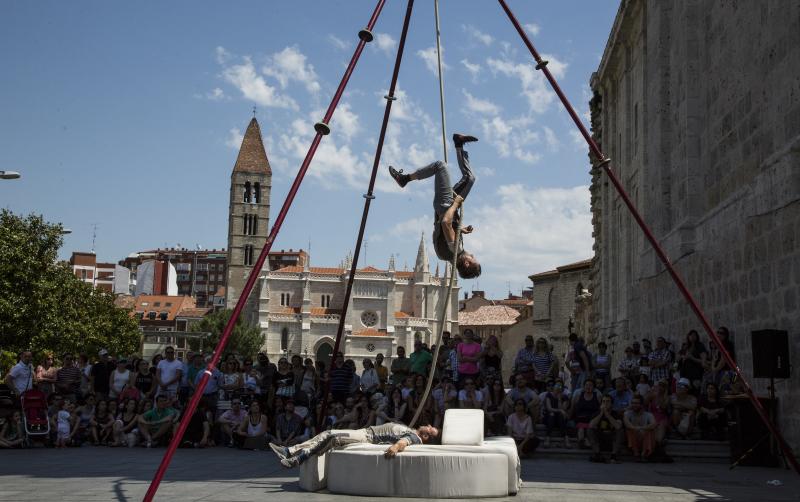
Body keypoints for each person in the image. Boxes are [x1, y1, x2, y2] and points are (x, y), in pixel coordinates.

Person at [388, 133, 482, 279]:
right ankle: (459, 144)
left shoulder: (457, 250)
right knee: (469, 179)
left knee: (440, 166)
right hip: (445, 207)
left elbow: (445, 222)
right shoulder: (446, 256)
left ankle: (404, 179)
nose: (473, 255)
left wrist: (455, 204)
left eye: (473, 258)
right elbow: (442, 233)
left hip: (446, 204)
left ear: (467, 264)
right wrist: (461, 230)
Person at [271, 422, 440, 468]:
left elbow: (404, 442)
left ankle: (297, 459)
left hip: (367, 436)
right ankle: (289, 451)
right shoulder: (412, 430)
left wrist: (395, 448)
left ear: (425, 436)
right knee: (327, 434)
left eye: (431, 429)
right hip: (365, 431)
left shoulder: (414, 437)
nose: (429, 425)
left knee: (330, 435)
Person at [587, 394, 623, 463]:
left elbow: (618, 426)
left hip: (612, 441)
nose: (605, 403)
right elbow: (591, 425)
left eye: (608, 401)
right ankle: (597, 454)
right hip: (600, 440)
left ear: (612, 404)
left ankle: (614, 456)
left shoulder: (616, 414)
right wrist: (601, 414)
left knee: (620, 431)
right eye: (603, 401)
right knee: (590, 430)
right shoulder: (596, 413)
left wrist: (607, 414)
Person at [623, 395, 656, 462]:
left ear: (642, 405)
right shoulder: (627, 413)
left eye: (636, 403)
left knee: (649, 430)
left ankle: (644, 454)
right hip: (632, 439)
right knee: (630, 430)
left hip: (644, 438)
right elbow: (627, 425)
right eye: (632, 403)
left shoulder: (648, 415)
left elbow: (653, 424)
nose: (634, 405)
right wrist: (637, 429)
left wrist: (641, 428)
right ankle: (636, 453)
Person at [543, 381, 570, 448]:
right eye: (557, 386)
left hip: (560, 419)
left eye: (560, 386)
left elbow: (563, 409)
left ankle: (566, 438)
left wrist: (559, 399)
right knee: (552, 414)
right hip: (550, 417)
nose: (558, 388)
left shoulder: (565, 397)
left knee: (560, 416)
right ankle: (547, 437)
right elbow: (549, 408)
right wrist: (560, 410)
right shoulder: (549, 395)